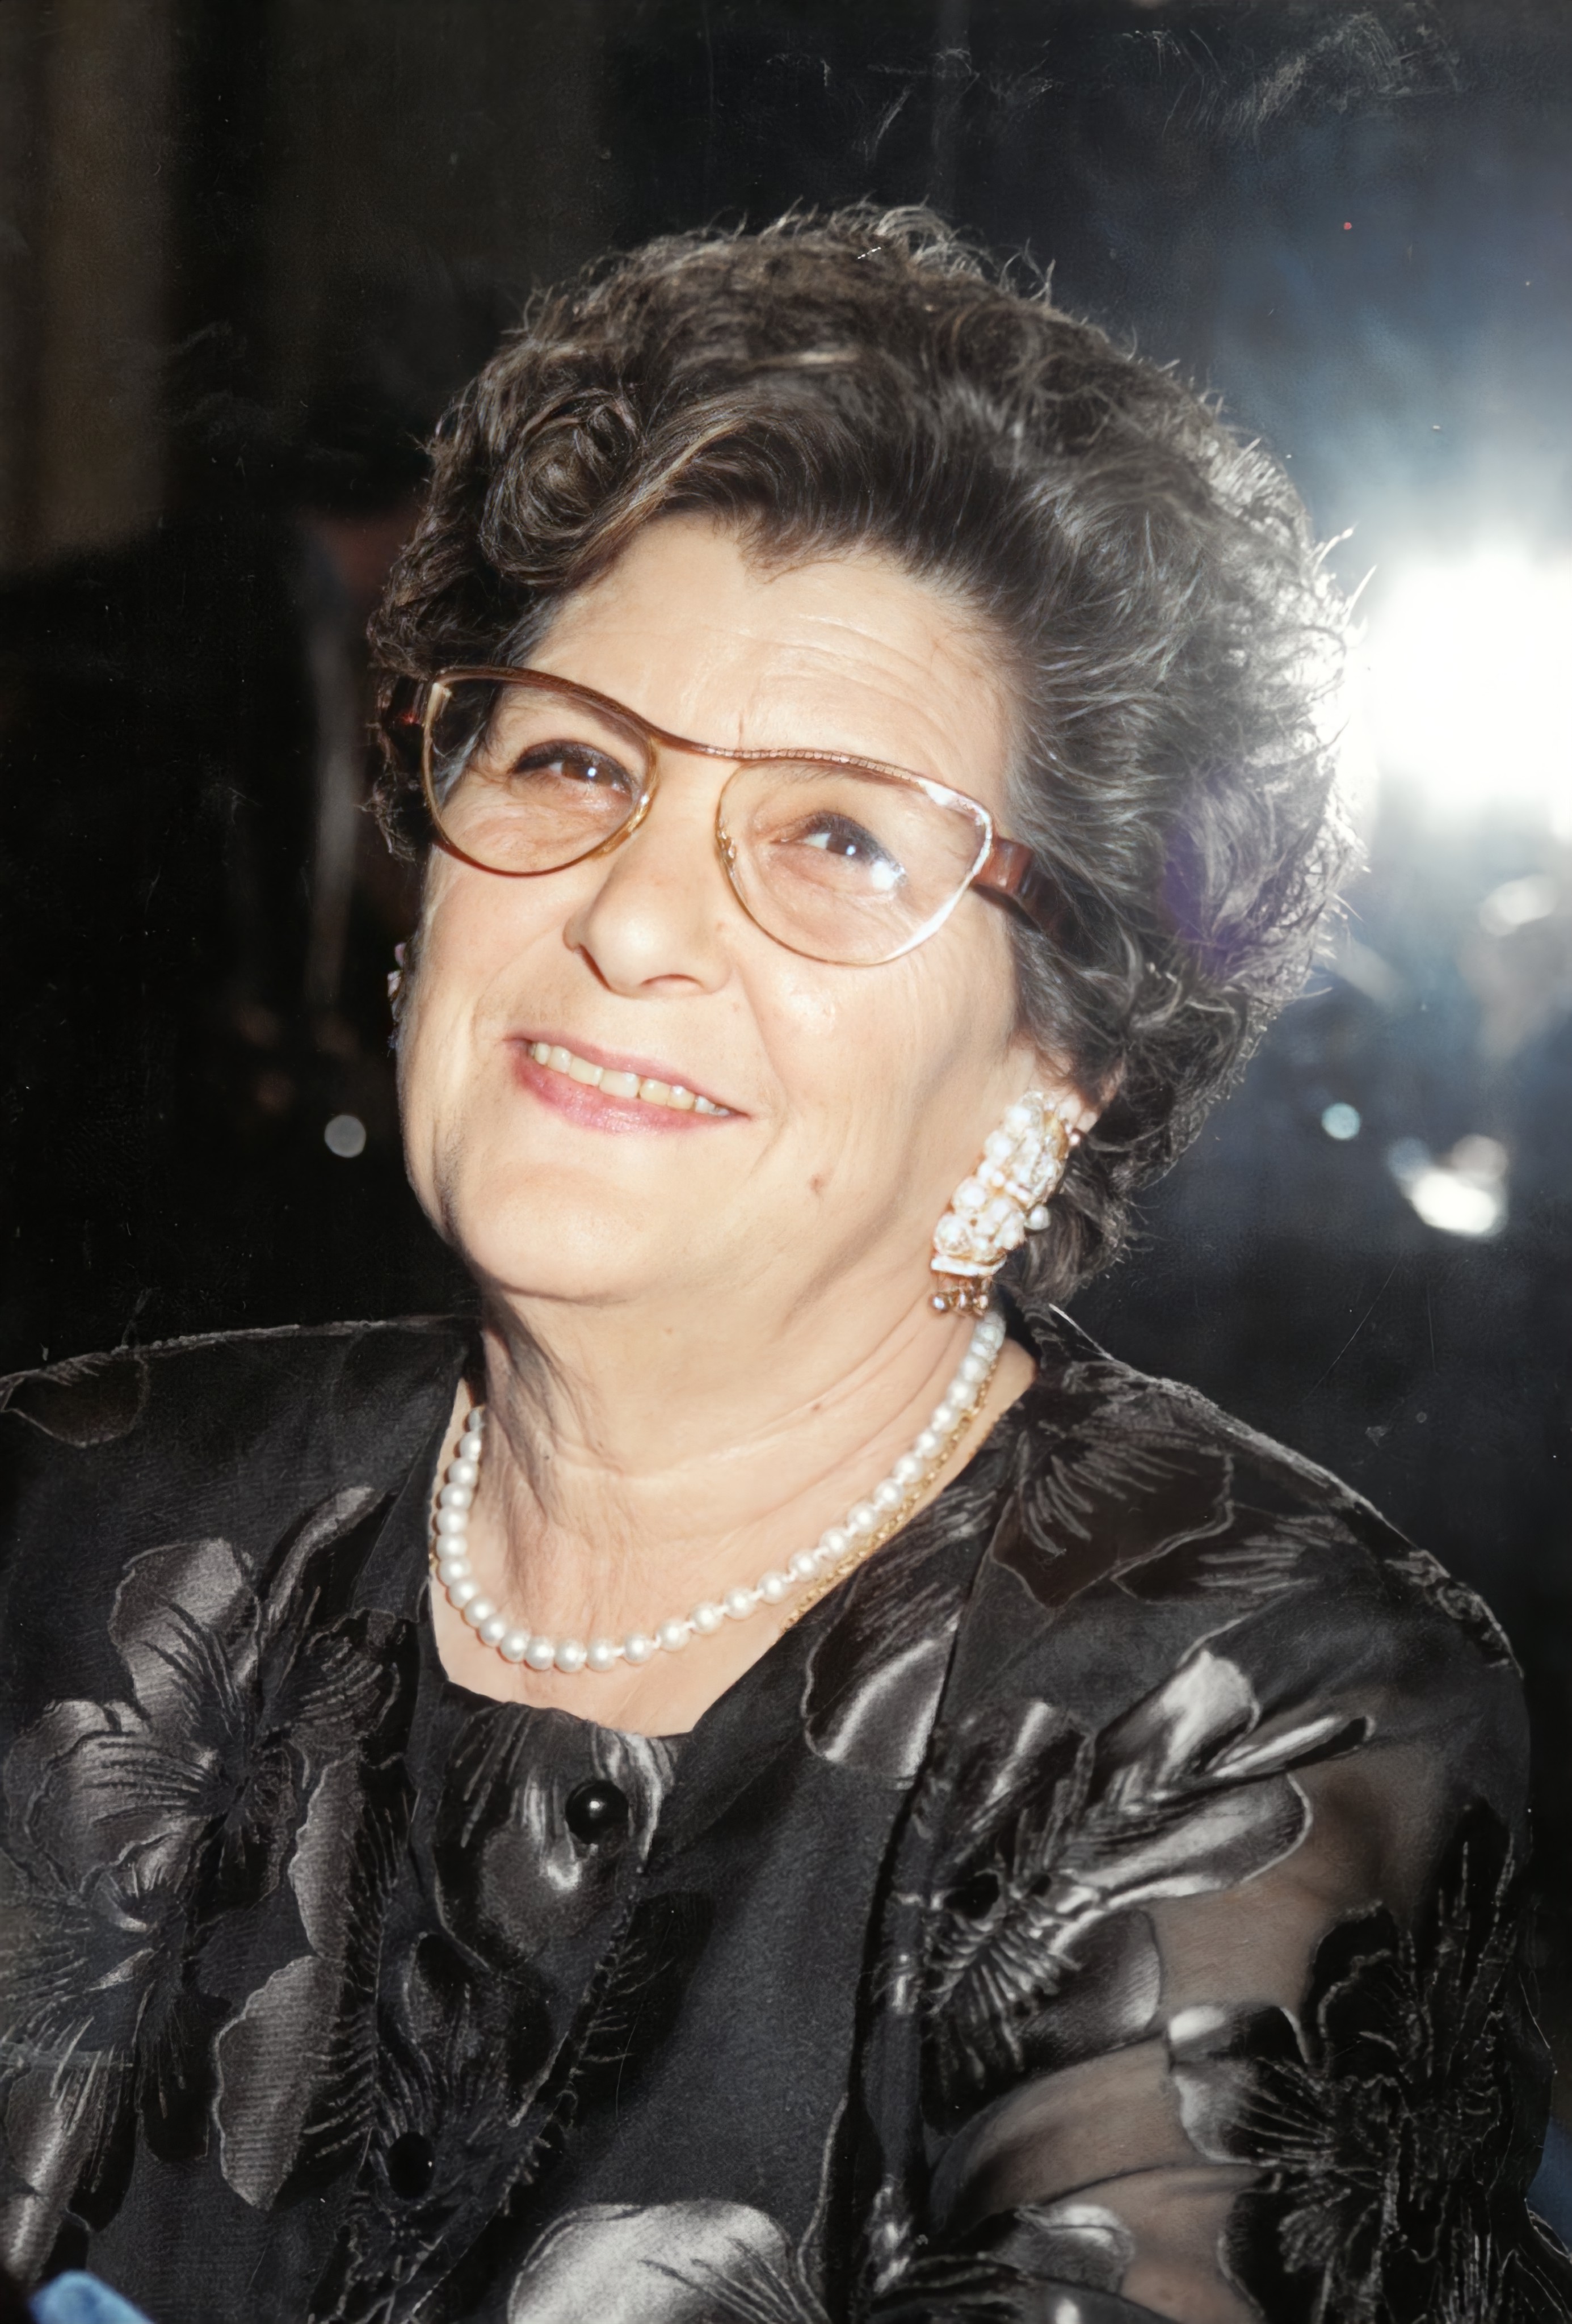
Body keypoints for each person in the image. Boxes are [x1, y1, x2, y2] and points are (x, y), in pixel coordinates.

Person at [1, 208, 1565, 2324]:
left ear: (1065, 1056)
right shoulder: (74, 1507)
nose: (630, 917)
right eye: (572, 760)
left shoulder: (1241, 1716)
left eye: (838, 837)